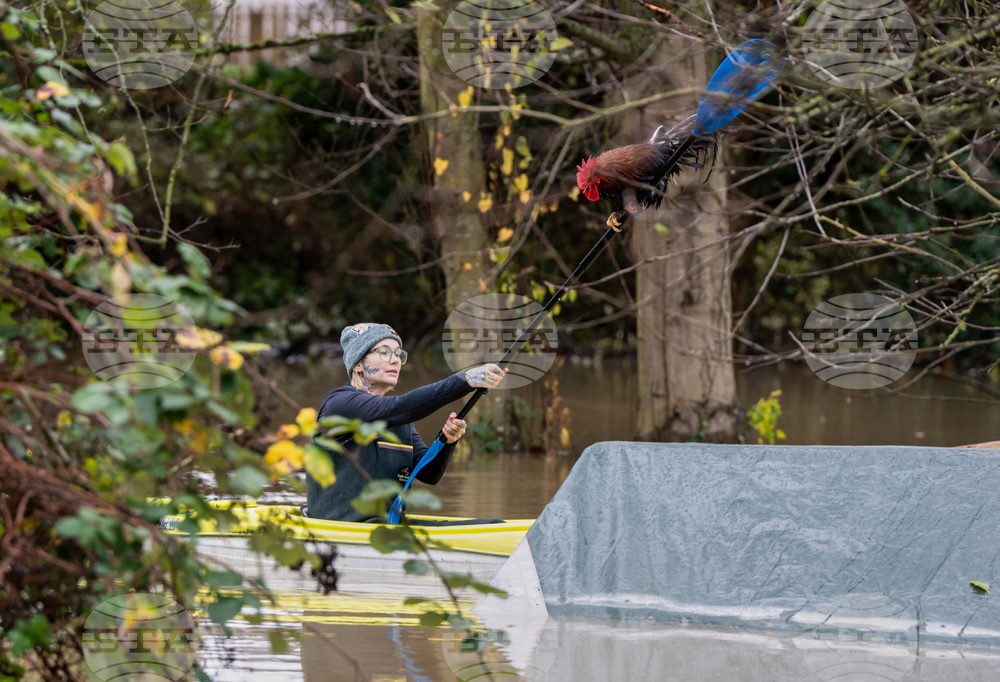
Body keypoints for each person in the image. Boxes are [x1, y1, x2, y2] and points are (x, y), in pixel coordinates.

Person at [306, 322, 507, 521]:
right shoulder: (339, 403)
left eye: (398, 354)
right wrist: (465, 380)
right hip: (343, 528)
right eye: (384, 352)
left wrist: (447, 441)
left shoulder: (399, 420)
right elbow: (401, 407)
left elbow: (428, 474)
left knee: (495, 523)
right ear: (358, 364)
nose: (395, 360)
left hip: (387, 526)